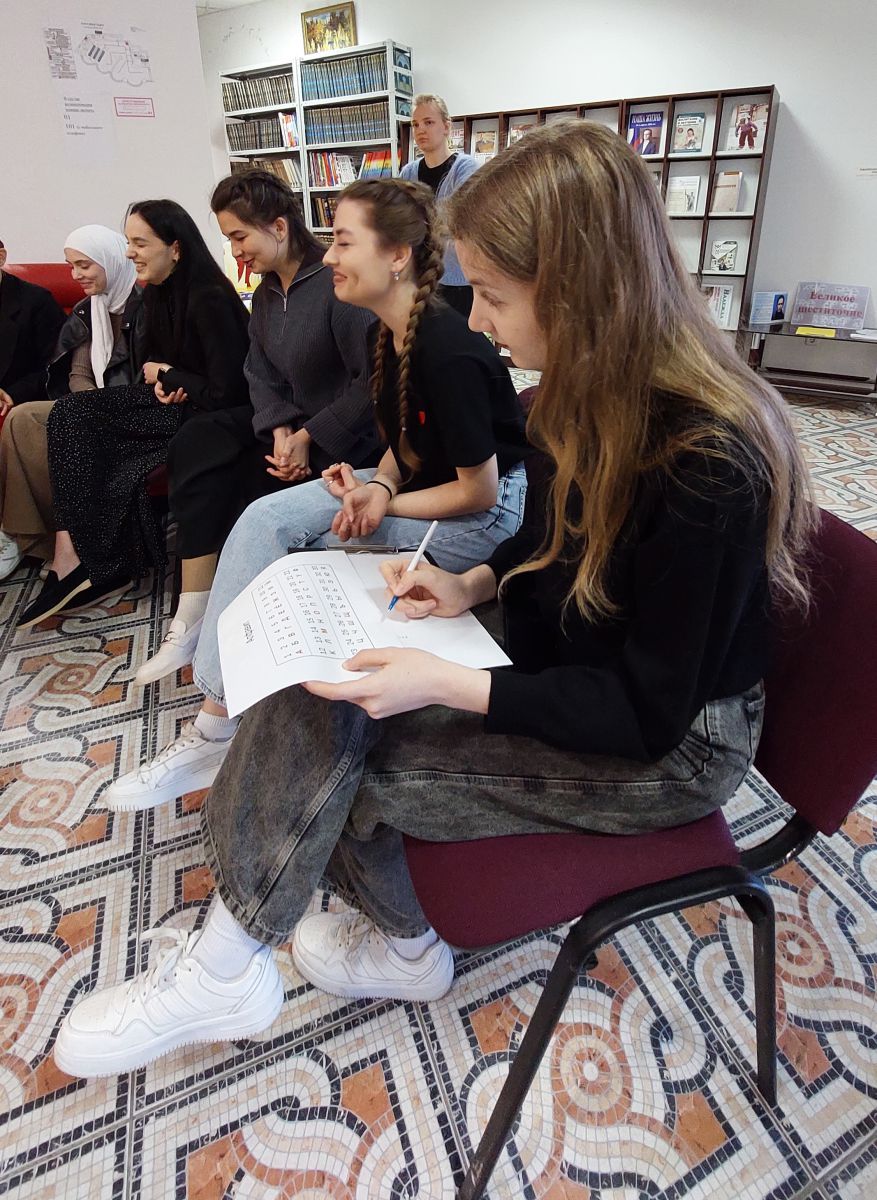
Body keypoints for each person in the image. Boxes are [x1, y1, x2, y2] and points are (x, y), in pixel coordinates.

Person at [52, 121, 815, 1079]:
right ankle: (257, 957)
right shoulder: (584, 391)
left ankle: (324, 956)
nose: (481, 321)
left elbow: (647, 711)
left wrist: (448, 683)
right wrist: (470, 582)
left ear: (579, 289)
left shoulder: (708, 457)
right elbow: (547, 539)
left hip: (673, 744)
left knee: (349, 775)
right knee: (330, 682)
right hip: (574, 649)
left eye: (493, 294)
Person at [101, 176, 528, 813]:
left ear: (396, 256)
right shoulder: (392, 336)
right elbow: (409, 443)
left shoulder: (447, 351)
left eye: (344, 243)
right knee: (264, 520)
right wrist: (379, 482)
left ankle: (219, 724)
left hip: (482, 517)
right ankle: (221, 702)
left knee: (290, 542)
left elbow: (480, 491)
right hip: (429, 492)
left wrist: (384, 501)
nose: (328, 256)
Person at [134, 170, 379, 686]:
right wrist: (282, 430)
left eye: (240, 236)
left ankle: (234, 633)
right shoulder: (267, 293)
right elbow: (259, 371)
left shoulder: (336, 286)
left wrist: (308, 437)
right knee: (199, 441)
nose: (235, 251)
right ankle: (192, 612)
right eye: (229, 239)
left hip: (342, 439)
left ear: (279, 227)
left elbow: (370, 383)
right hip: (290, 433)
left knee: (238, 483)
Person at [17, 200, 250, 629]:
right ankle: (79, 555)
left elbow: (228, 392)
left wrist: (168, 375)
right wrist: (163, 381)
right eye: (128, 242)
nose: (129, 253)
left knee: (76, 419)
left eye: (140, 243)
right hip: (172, 405)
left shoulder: (210, 298)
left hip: (209, 416)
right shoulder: (156, 295)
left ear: (175, 248)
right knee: (70, 413)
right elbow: (155, 372)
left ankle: (90, 561)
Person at [0, 226, 140, 581]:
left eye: (84, 265)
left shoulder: (144, 305)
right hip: (89, 404)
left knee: (69, 423)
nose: (76, 275)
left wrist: (94, 408)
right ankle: (28, 539)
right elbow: (78, 372)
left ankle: (84, 548)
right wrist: (87, 404)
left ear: (110, 260)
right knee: (21, 419)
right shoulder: (86, 309)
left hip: (133, 407)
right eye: (71, 266)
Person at [400, 94, 479, 317]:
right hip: (420, 279)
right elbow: (403, 224)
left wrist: (421, 226)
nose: (420, 130)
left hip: (458, 282)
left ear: (446, 126)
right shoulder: (408, 173)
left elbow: (461, 224)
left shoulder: (465, 168)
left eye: (428, 122)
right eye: (415, 124)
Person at [0, 238, 65, 416]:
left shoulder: (37, 301)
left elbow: (57, 367)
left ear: (1, 257)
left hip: (21, 402)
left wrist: (12, 394)